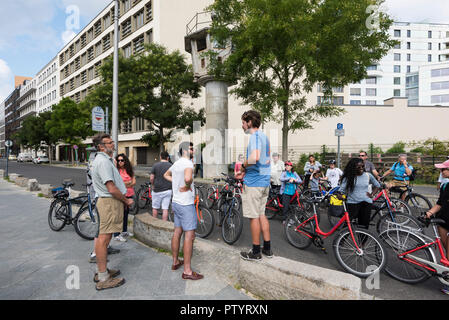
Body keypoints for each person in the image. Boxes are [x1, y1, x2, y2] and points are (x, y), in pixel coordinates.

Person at [90, 133, 133, 290]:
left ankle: (101, 271)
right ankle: (103, 277)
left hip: (108, 202)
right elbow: (111, 188)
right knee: (104, 239)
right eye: (109, 142)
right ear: (101, 146)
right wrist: (126, 200)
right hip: (108, 202)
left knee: (105, 239)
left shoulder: (104, 160)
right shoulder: (103, 162)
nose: (113, 144)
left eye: (112, 142)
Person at [163, 142, 203, 280]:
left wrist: (177, 182)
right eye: (192, 148)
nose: (193, 150)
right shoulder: (188, 163)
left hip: (176, 202)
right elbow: (187, 178)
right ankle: (187, 271)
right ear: (185, 150)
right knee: (189, 236)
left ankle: (175, 262)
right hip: (186, 203)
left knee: (177, 232)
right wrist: (186, 184)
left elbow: (165, 175)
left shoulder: (177, 163)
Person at [238, 110, 272, 261]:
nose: (242, 125)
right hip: (264, 181)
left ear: (250, 123)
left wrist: (243, 168)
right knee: (261, 214)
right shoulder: (265, 137)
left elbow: (255, 156)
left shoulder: (255, 136)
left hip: (254, 183)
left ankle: (256, 252)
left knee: (253, 217)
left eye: (243, 122)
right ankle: (268, 249)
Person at [425, 159, 449, 295]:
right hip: (443, 221)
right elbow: (439, 203)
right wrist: (429, 213)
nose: (441, 172)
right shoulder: (446, 186)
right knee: (446, 254)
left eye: (443, 169)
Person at [338, 158, 381, 229]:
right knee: (347, 226)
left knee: (364, 226)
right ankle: (341, 239)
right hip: (352, 204)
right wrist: (339, 195)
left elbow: (377, 185)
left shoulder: (368, 175)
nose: (361, 168)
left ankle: (362, 240)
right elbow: (341, 191)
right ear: (353, 167)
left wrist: (372, 194)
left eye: (363, 166)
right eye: (358, 167)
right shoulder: (348, 177)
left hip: (366, 203)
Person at [113, 154, 135, 242]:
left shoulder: (129, 170)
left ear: (125, 161)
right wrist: (127, 183)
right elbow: (116, 184)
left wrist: (124, 183)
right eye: (118, 160)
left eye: (122, 160)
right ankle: (116, 234)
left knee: (126, 213)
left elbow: (133, 182)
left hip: (129, 194)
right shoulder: (116, 171)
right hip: (120, 195)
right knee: (119, 214)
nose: (120, 162)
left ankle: (124, 231)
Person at [150, 151, 173, 221]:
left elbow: (151, 178)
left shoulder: (155, 165)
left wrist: (153, 185)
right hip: (168, 190)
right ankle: (164, 225)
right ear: (168, 158)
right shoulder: (171, 166)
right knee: (165, 209)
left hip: (157, 190)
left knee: (155, 208)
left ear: (160, 157)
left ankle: (154, 224)